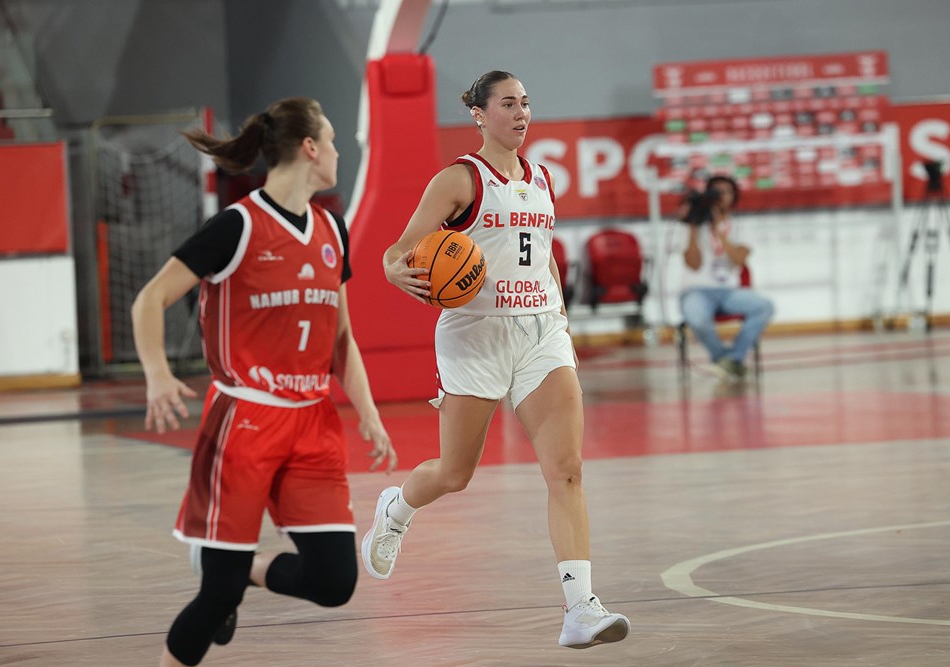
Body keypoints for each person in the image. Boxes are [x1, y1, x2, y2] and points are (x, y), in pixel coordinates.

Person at [360, 70, 630, 649]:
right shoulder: (460, 179)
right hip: (475, 334)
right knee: (455, 474)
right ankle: (397, 509)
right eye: (508, 104)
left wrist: (557, 313)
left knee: (567, 470)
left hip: (540, 332)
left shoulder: (542, 179)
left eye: (527, 103)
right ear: (480, 115)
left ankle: (580, 608)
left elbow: (542, 258)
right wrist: (392, 268)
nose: (521, 113)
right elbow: (399, 249)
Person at [131, 97, 397, 667]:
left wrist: (369, 412)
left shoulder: (332, 228)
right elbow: (150, 297)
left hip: (312, 421)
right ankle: (224, 584)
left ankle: (247, 570)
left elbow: (341, 337)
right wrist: (157, 374)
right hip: (245, 421)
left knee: (333, 581)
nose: (336, 151)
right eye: (329, 139)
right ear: (309, 149)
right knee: (217, 593)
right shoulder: (236, 227)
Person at [679, 175, 775, 381]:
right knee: (696, 315)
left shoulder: (741, 227)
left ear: (734, 197)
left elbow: (739, 260)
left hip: (729, 291)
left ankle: (733, 359)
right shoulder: (694, 227)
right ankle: (727, 360)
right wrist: (694, 227)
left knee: (764, 306)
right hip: (697, 289)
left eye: (727, 192)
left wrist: (720, 233)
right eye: (717, 192)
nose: (722, 197)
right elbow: (692, 264)